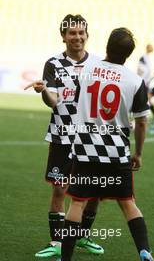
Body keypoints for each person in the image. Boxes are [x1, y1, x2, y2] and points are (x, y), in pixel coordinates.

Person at [60, 28, 154, 261]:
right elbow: (142, 122)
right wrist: (138, 154)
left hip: (85, 150)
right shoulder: (135, 81)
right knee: (128, 203)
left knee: (78, 203)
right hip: (116, 153)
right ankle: (145, 251)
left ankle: (64, 259)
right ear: (129, 54)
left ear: (106, 46)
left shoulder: (86, 71)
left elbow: (75, 103)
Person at [25, 14, 104, 258]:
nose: (77, 37)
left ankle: (82, 236)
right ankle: (57, 242)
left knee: (93, 192)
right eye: (72, 33)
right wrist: (44, 91)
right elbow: (53, 101)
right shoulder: (53, 64)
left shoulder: (99, 64)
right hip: (62, 135)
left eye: (81, 33)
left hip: (90, 137)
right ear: (63, 36)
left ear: (87, 35)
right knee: (60, 189)